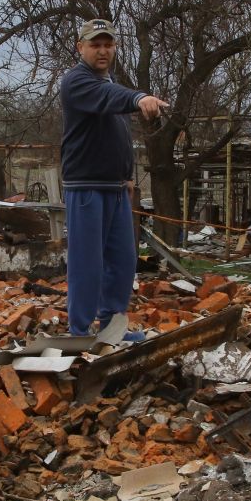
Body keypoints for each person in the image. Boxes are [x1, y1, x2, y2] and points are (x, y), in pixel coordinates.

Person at [60, 19, 168, 338]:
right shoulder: (77, 82)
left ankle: (111, 328)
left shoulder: (107, 84)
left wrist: (127, 176)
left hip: (116, 188)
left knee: (123, 262)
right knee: (87, 264)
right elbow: (111, 98)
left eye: (108, 44)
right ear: (80, 47)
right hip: (87, 187)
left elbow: (114, 132)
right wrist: (138, 99)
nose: (103, 50)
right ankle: (79, 331)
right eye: (95, 44)